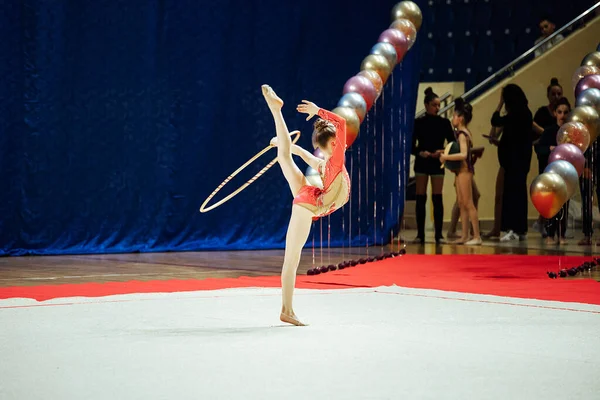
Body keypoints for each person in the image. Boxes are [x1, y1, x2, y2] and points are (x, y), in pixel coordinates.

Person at [262, 85, 350, 326]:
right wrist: (318, 111)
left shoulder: (327, 166)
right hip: (309, 204)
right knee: (291, 260)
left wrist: (283, 143)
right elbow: (341, 124)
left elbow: (302, 155)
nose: (342, 145)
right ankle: (287, 310)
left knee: (284, 157)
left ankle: (276, 111)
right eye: (338, 143)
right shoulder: (334, 162)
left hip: (311, 196)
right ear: (333, 144)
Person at [411, 87, 455, 244]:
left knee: (437, 197)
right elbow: (411, 145)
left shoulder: (444, 123)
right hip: (422, 161)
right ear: (427, 105)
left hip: (437, 162)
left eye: (438, 105)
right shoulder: (418, 123)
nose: (438, 108)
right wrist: (419, 152)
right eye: (435, 105)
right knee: (420, 197)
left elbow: (452, 143)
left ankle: (438, 235)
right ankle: (420, 235)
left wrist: (442, 151)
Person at [491, 84, 533, 242]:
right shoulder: (526, 113)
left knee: (512, 195)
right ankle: (520, 228)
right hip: (520, 162)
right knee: (519, 194)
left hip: (514, 162)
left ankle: (513, 228)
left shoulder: (516, 114)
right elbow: (512, 137)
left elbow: (495, 120)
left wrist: (500, 103)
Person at [440, 98, 481, 245]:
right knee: (462, 203)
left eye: (454, 116)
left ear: (460, 118)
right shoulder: (462, 133)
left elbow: (464, 154)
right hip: (461, 171)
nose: (452, 119)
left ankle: (476, 236)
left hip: (464, 171)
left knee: (468, 203)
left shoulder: (462, 134)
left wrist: (446, 157)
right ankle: (465, 235)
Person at [536, 97, 572, 244]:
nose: (562, 115)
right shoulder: (549, 131)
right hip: (551, 174)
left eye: (565, 112)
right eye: (559, 112)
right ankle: (550, 234)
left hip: (566, 174)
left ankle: (561, 235)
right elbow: (539, 149)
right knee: (551, 204)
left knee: (564, 204)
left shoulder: (571, 132)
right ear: (555, 113)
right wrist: (550, 149)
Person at [532, 78, 564, 235]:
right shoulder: (541, 113)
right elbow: (534, 137)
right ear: (548, 95)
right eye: (553, 94)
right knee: (546, 189)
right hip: (545, 157)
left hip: (559, 158)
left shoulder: (563, 113)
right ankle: (543, 220)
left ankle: (545, 221)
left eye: (559, 94)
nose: (556, 96)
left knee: (556, 190)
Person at [447, 146, 483, 239]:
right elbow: (462, 152)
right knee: (462, 200)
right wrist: (474, 151)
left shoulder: (464, 134)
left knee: (468, 198)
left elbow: (466, 155)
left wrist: (474, 155)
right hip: (462, 168)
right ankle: (469, 232)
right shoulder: (461, 134)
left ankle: (471, 230)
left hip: (465, 167)